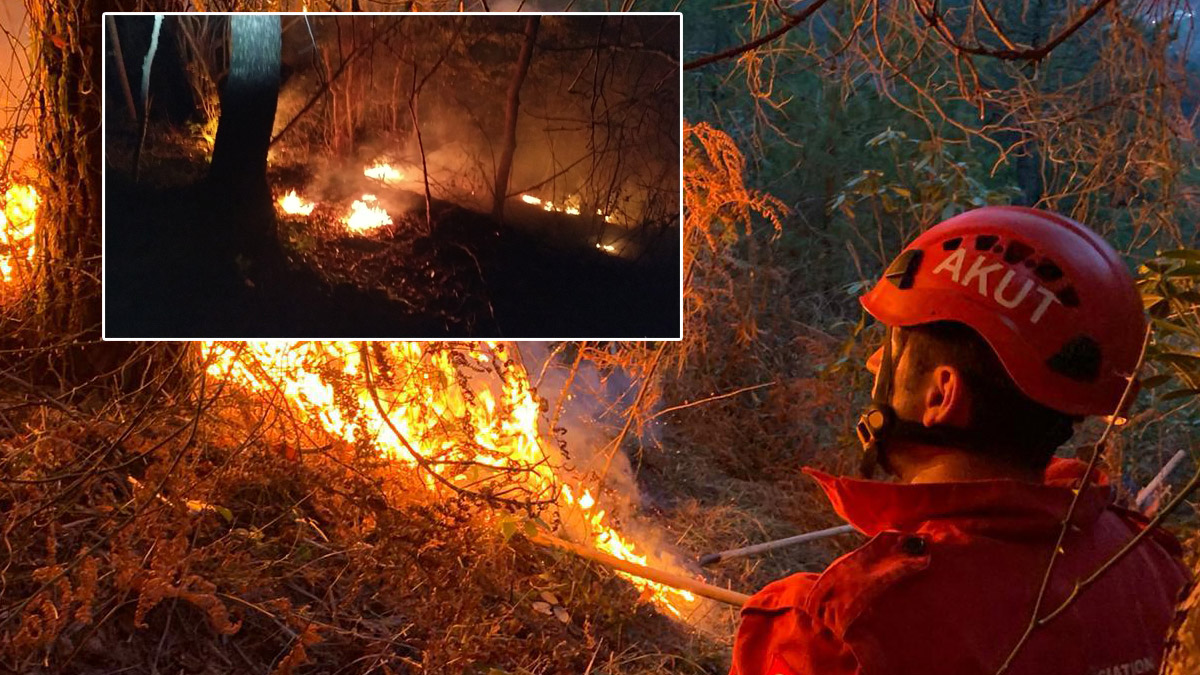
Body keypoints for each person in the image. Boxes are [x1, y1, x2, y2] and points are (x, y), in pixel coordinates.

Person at [729, 206, 1190, 675]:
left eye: (893, 353)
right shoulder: (1153, 564)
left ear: (941, 395)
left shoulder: (837, 633)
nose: (873, 365)